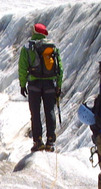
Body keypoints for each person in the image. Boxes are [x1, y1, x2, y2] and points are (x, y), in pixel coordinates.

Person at [18, 23, 63, 152]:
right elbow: (59, 68)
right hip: (49, 84)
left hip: (34, 85)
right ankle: (50, 141)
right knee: (50, 112)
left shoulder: (27, 48)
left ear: (34, 32)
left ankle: (38, 141)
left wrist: (22, 84)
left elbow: (22, 67)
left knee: (35, 113)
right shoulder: (52, 47)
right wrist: (58, 86)